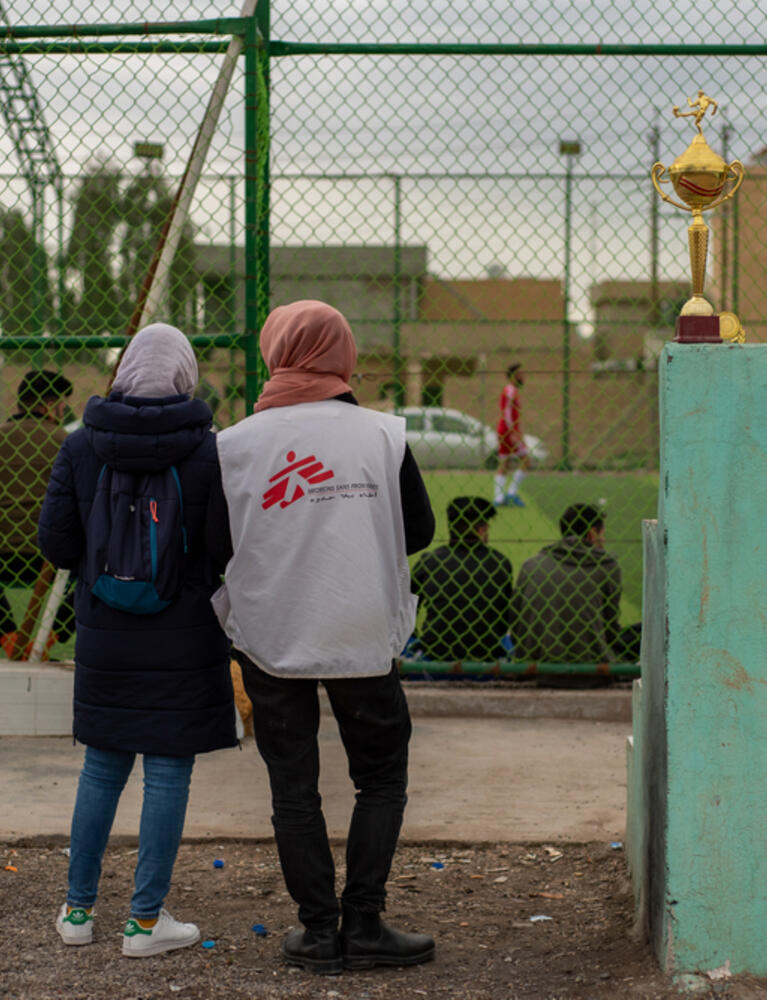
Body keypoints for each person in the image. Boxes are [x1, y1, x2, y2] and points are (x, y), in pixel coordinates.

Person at [207, 299, 436, 975]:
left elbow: (216, 543)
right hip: (361, 623)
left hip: (270, 631)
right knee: (380, 778)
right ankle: (363, 922)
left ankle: (316, 931)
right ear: (342, 353)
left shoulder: (234, 444)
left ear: (275, 351)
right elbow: (417, 530)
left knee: (293, 786)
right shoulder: (382, 435)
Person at [37, 323, 236, 957]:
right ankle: (145, 924)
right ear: (185, 373)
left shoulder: (81, 446)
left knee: (101, 769)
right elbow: (225, 545)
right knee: (168, 776)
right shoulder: (209, 450)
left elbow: (56, 542)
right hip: (184, 634)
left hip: (106, 632)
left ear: (124, 371)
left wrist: (102, 573)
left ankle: (77, 912)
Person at [0, 370, 76, 655]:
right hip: (52, 559)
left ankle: (8, 636)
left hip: (3, 554)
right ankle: (46, 640)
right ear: (49, 405)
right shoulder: (66, 442)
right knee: (99, 575)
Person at [510, 502, 641, 665]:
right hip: (592, 664)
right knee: (642, 633)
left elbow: (515, 623)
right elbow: (610, 630)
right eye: (603, 534)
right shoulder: (606, 566)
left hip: (534, 662)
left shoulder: (531, 565)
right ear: (592, 533)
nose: (604, 540)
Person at [411, 495, 513, 662]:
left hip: (435, 655)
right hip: (486, 658)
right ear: (481, 529)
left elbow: (407, 612)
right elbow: (504, 621)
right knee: (508, 641)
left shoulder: (430, 560)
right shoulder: (500, 562)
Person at [494, 362, 531, 508]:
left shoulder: (511, 390)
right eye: (521, 374)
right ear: (514, 375)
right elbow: (508, 413)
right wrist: (513, 433)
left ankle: (499, 498)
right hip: (509, 432)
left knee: (505, 463)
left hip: (505, 431)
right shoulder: (510, 391)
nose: (523, 376)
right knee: (526, 460)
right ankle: (511, 493)